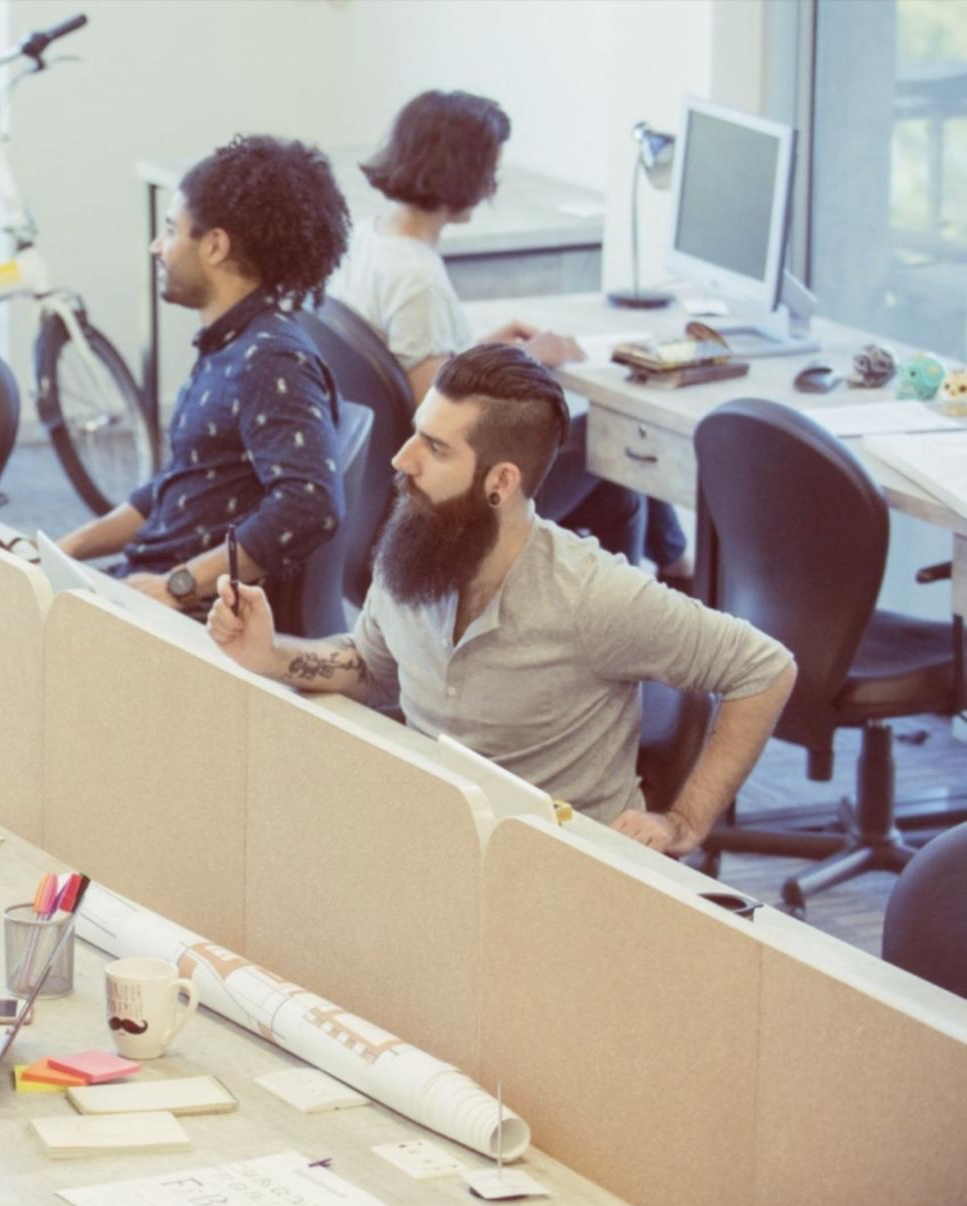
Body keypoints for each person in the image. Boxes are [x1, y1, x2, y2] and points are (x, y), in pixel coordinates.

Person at [207, 344, 796, 856]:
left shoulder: (593, 595)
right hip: (439, 847)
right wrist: (271, 655)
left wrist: (683, 823)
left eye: (434, 448)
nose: (401, 459)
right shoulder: (417, 539)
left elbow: (766, 669)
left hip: (560, 869)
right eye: (416, 433)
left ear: (500, 481)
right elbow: (376, 669)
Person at [336, 89, 684, 571]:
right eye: (489, 170)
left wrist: (476, 351)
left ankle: (674, 563)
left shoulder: (367, 240)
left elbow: (410, 367)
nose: (492, 183)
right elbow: (441, 413)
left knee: (610, 477)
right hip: (447, 493)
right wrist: (529, 360)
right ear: (464, 172)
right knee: (609, 445)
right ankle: (667, 578)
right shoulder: (418, 280)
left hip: (371, 491)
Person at [57, 134, 350, 616]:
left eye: (171, 230)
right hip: (149, 587)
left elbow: (311, 505)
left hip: (190, 620)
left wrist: (179, 585)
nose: (158, 246)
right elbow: (176, 486)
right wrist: (66, 548)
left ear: (214, 246)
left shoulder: (270, 360)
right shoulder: (229, 343)